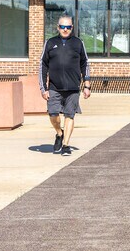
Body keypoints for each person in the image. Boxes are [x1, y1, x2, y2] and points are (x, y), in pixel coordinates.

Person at [39, 15, 91, 156]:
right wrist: (43, 88)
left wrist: (87, 85)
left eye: (68, 27)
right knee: (53, 115)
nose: (65, 29)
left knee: (70, 116)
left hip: (73, 88)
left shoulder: (78, 43)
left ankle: (66, 145)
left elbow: (85, 63)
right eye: (62, 27)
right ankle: (59, 133)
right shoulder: (50, 43)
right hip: (54, 87)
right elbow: (43, 65)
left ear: (72, 28)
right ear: (58, 27)